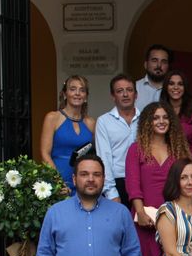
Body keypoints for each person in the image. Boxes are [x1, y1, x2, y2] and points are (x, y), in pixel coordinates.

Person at [124, 102, 192, 256]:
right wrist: (140, 211)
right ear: (147, 123)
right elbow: (133, 183)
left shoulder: (178, 149)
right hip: (143, 221)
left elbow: (186, 184)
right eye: (155, 118)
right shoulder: (136, 149)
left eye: (165, 117)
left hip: (173, 220)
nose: (161, 121)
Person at [40, 75, 95, 194]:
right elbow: (45, 153)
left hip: (83, 182)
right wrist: (58, 182)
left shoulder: (91, 123)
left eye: (82, 90)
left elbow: (94, 153)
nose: (77, 93)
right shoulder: (52, 118)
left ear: (86, 97)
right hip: (58, 181)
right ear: (65, 94)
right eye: (72, 89)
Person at [95, 74, 140, 207]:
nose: (125, 94)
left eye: (129, 90)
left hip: (142, 181)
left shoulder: (146, 119)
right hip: (118, 182)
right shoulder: (104, 121)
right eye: (120, 91)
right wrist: (111, 193)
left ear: (136, 94)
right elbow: (104, 157)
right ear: (113, 96)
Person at [160, 70, 192, 188]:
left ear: (185, 87)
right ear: (166, 87)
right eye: (171, 83)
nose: (176, 87)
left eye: (180, 84)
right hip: (166, 169)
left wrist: (189, 169)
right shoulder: (160, 109)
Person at [136, 44, 171, 111]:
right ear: (146, 65)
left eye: (163, 62)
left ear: (168, 67)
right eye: (154, 61)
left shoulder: (174, 91)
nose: (159, 65)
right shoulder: (134, 88)